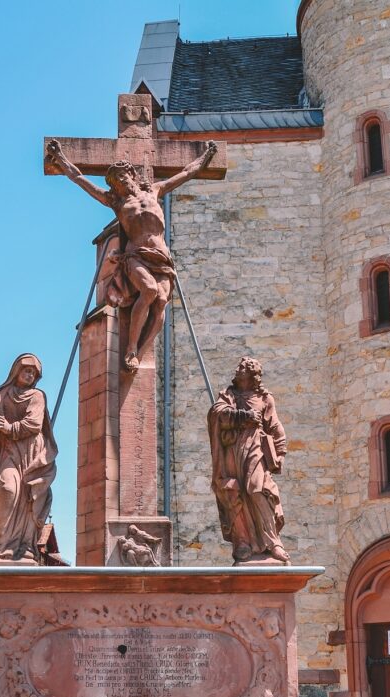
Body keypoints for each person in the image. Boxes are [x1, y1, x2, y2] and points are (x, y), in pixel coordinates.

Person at [46, 138, 217, 372]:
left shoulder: (155, 191)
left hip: (161, 257)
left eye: (122, 177)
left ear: (132, 176)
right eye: (115, 182)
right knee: (149, 290)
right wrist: (61, 158)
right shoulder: (116, 202)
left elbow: (187, 172)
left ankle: (142, 349)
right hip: (135, 255)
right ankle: (131, 348)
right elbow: (79, 178)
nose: (120, 183)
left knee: (160, 304)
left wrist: (206, 156)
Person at [208, 357, 290, 564]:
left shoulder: (264, 398)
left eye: (242, 368)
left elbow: (275, 426)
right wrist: (242, 416)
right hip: (232, 450)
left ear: (252, 374)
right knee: (233, 491)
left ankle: (273, 543)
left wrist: (280, 452)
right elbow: (217, 414)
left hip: (255, 448)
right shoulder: (228, 395)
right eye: (239, 367)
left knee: (257, 490)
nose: (237, 370)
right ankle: (242, 542)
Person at [0, 354, 57, 562]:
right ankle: (0, 545)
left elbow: (33, 424)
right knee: (7, 489)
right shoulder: (2, 393)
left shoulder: (37, 396)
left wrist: (7, 426)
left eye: (34, 373)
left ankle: (26, 546)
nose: (30, 375)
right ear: (16, 370)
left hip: (33, 455)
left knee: (31, 497)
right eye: (27, 370)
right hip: (10, 452)